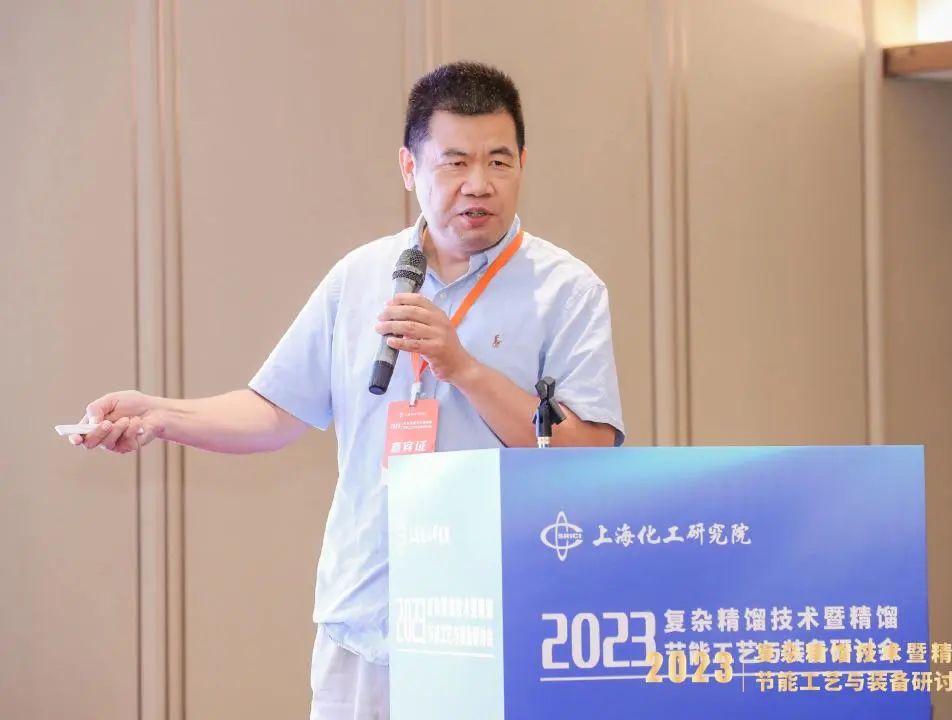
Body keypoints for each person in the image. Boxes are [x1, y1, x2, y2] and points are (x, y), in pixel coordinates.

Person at [66, 61, 625, 719]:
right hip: (366, 620)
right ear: (409, 167)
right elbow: (274, 411)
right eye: (454, 163)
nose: (479, 184)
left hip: (500, 623)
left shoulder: (567, 291)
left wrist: (465, 369)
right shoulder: (361, 278)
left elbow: (589, 453)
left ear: (523, 163)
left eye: (498, 161)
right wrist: (159, 413)